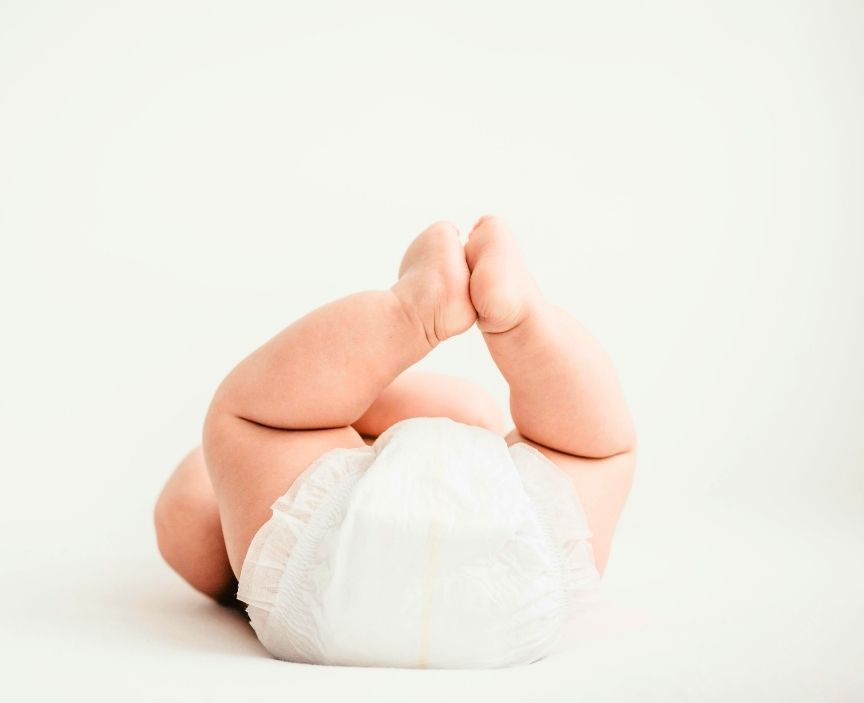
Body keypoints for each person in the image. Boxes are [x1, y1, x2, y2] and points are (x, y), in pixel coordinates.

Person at [154, 216, 636, 668]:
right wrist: (338, 409)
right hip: (523, 587)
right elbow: (464, 408)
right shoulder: (458, 431)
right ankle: (491, 316)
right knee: (591, 451)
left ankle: (422, 314)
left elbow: (203, 498)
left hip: (325, 591)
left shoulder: (281, 515)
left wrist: (319, 423)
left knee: (249, 434)